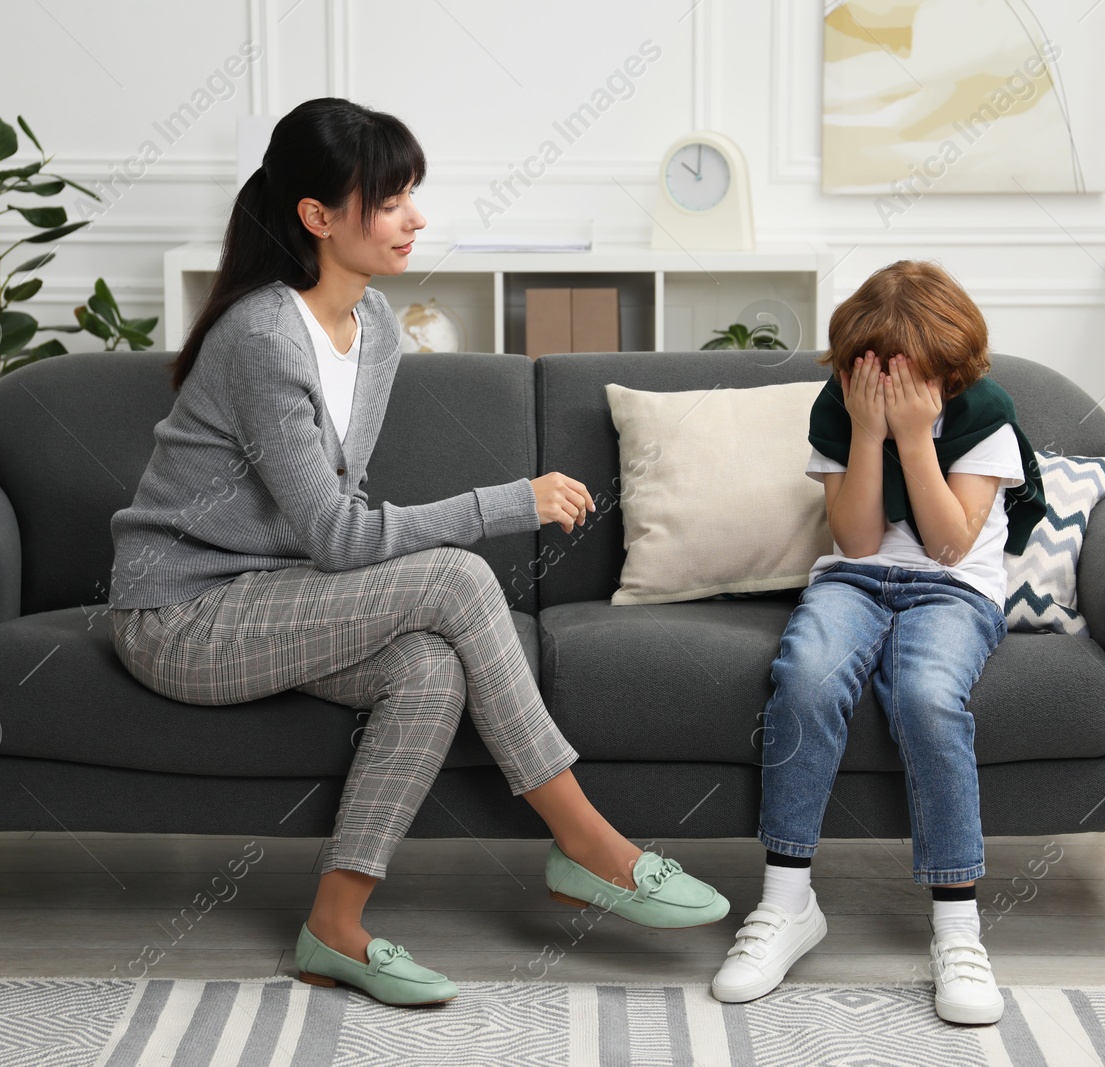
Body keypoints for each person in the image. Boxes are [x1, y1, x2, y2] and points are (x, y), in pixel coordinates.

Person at [106, 97, 728, 1007]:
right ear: (317, 218)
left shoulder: (378, 328)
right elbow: (337, 534)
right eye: (390, 200)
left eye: (412, 196)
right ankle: (590, 844)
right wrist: (511, 502)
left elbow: (336, 507)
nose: (416, 218)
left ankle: (335, 926)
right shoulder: (263, 337)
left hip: (280, 596)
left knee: (431, 668)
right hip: (181, 614)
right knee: (459, 575)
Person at [709, 260, 1046, 1024]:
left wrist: (916, 438)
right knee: (806, 677)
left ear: (949, 370)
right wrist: (868, 431)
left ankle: (958, 927)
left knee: (928, 696)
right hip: (852, 580)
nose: (890, 387)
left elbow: (952, 544)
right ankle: (787, 902)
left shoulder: (985, 415)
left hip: (954, 587)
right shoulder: (838, 414)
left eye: (911, 375)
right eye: (875, 375)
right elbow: (858, 542)